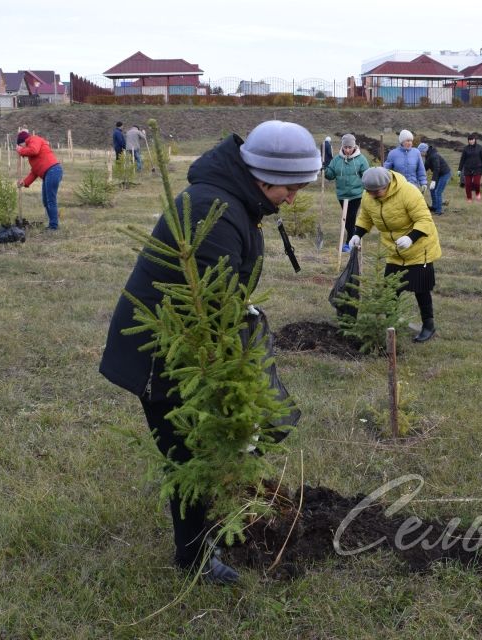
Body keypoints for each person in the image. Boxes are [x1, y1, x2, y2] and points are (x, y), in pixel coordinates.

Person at [99, 120, 321, 585]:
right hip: (165, 353)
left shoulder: (236, 200)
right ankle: (194, 559)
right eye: (291, 188)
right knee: (187, 453)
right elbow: (205, 309)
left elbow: (222, 299)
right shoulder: (214, 211)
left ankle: (211, 528)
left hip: (187, 348)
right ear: (264, 177)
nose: (293, 198)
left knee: (199, 447)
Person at [348, 167, 442, 342]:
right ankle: (391, 325)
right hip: (394, 250)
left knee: (421, 288)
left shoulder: (408, 192)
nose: (373, 195)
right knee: (390, 289)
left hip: (419, 247)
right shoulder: (369, 196)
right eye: (370, 192)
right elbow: (365, 218)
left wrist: (410, 238)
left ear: (388, 184)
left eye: (376, 192)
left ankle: (428, 326)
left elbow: (424, 220)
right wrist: (357, 234)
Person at [324, 133, 370, 250]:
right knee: (347, 219)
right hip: (342, 195)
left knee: (351, 217)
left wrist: (368, 188)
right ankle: (354, 239)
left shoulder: (361, 159)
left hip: (356, 194)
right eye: (346, 147)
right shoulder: (336, 160)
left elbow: (366, 175)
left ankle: (349, 241)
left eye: (350, 147)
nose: (348, 150)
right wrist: (325, 169)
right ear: (342, 147)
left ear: (354, 147)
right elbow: (330, 176)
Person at [16, 131, 63, 230]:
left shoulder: (34, 139)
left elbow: (34, 150)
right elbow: (35, 171)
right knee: (45, 201)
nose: (22, 148)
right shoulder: (31, 158)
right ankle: (52, 224)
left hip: (53, 171)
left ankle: (54, 226)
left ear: (24, 141)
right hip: (48, 174)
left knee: (50, 200)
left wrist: (20, 151)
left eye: (21, 145)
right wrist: (24, 182)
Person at [417, 142, 451, 215]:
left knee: (438, 192)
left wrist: (433, 181)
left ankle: (439, 210)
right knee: (432, 189)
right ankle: (435, 206)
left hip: (445, 174)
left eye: (420, 152)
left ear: (424, 151)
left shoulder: (434, 156)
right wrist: (419, 175)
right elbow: (425, 167)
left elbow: (436, 168)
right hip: (439, 173)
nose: (420, 154)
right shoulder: (428, 155)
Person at [457, 133, 482, 202]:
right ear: (468, 141)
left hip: (478, 168)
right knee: (468, 184)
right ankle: (469, 198)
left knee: (476, 183)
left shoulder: (480, 147)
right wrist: (459, 170)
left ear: (475, 140)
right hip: (467, 168)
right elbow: (462, 160)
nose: (471, 141)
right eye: (469, 140)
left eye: (472, 139)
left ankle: (477, 193)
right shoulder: (465, 149)